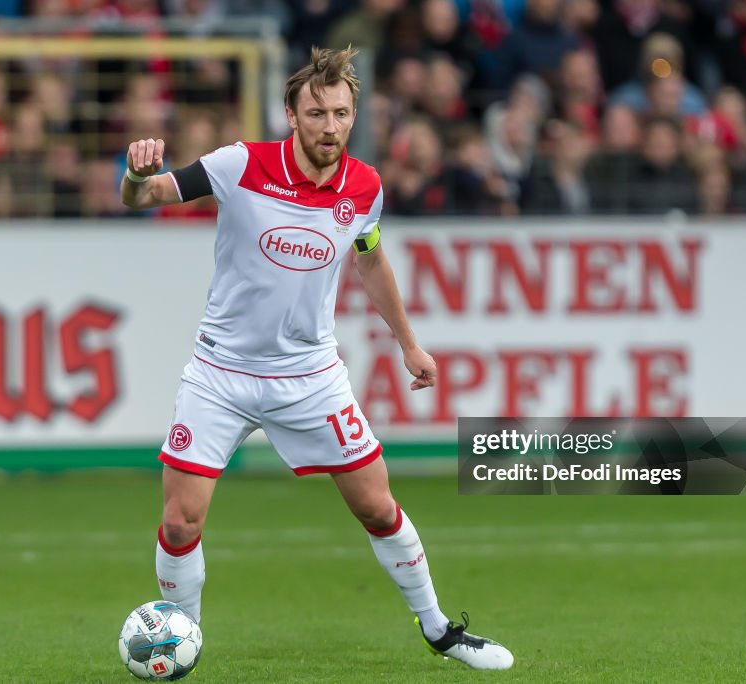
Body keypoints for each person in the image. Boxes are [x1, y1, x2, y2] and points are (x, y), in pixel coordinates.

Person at [119, 46, 514, 670]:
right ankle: (181, 636)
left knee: (378, 507)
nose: (329, 125)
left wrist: (409, 343)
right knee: (178, 524)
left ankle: (439, 629)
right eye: (316, 112)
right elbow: (146, 198)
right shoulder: (239, 164)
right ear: (290, 115)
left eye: (340, 113)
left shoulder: (365, 187)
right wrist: (137, 174)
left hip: (309, 377)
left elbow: (371, 257)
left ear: (353, 116)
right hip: (221, 373)